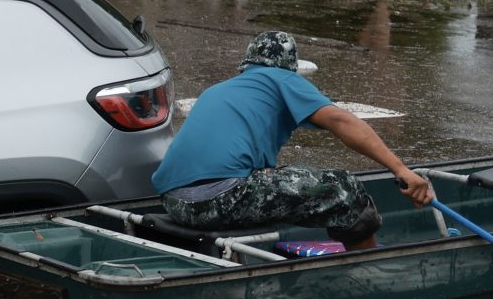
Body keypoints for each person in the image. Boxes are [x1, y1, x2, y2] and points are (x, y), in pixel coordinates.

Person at [151, 30, 434, 251]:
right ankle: (368, 263)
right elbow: (341, 121)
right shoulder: (281, 78)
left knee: (277, 177)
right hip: (219, 199)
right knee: (343, 188)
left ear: (248, 61)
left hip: (175, 203)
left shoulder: (221, 90)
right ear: (289, 66)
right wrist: (401, 170)